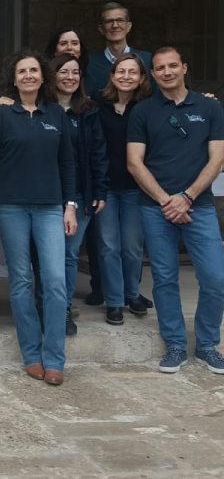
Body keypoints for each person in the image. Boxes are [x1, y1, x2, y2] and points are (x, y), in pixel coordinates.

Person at [0, 50, 77, 386]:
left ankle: (54, 358)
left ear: (42, 76)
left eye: (34, 70)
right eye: (23, 71)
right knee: (20, 280)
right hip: (10, 207)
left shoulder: (56, 115)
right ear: (15, 78)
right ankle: (31, 354)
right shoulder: (3, 115)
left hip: (50, 206)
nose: (29, 76)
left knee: (55, 281)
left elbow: (68, 164)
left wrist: (70, 205)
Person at [127, 46, 224, 375]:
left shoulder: (210, 108)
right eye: (159, 68)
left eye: (172, 66)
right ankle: (176, 346)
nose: (166, 72)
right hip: (156, 210)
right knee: (165, 279)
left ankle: (208, 344)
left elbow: (217, 158)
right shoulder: (142, 112)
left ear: (184, 67)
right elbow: (134, 162)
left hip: (200, 207)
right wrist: (167, 200)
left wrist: (187, 197)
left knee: (215, 278)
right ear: (152, 75)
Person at [46, 53, 108, 335]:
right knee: (46, 255)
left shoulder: (88, 111)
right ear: (53, 75)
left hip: (80, 194)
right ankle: (44, 304)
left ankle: (64, 308)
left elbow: (99, 153)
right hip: (46, 193)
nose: (70, 77)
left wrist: (100, 189)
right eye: (64, 72)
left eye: (75, 72)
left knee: (69, 255)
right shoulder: (42, 107)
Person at [94, 54, 151, 324]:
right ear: (112, 75)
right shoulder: (97, 104)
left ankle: (132, 294)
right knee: (108, 245)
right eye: (121, 71)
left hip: (136, 188)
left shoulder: (148, 108)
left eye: (132, 72)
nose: (126, 76)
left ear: (141, 78)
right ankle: (114, 301)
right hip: (105, 187)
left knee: (132, 246)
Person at [85, 2, 153, 99]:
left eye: (120, 20)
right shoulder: (89, 63)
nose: (115, 25)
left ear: (129, 26)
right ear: (101, 29)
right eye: (109, 21)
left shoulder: (147, 60)